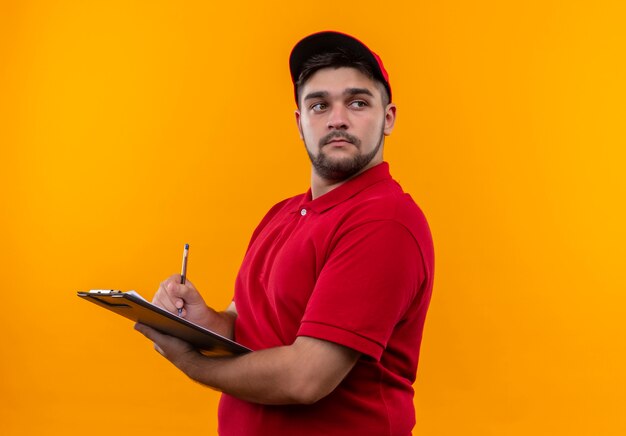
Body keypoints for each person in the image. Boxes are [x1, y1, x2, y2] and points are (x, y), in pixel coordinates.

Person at [135, 31, 434, 436]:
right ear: (300, 122)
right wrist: (201, 320)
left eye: (358, 102)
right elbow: (245, 326)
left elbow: (305, 378)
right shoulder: (284, 214)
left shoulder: (384, 220)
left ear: (388, 118)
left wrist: (190, 362)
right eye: (319, 105)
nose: (338, 118)